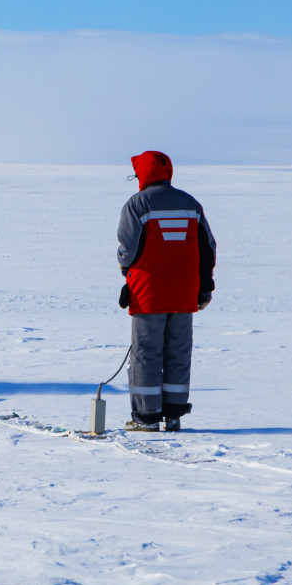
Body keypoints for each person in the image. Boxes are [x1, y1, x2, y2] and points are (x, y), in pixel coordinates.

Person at [116, 151, 216, 432]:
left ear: (143, 174)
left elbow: (128, 250)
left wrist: (128, 277)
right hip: (185, 293)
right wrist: (204, 287)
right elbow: (207, 248)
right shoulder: (190, 204)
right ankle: (173, 414)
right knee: (178, 352)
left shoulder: (137, 205)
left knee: (147, 353)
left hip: (149, 294)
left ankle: (147, 418)